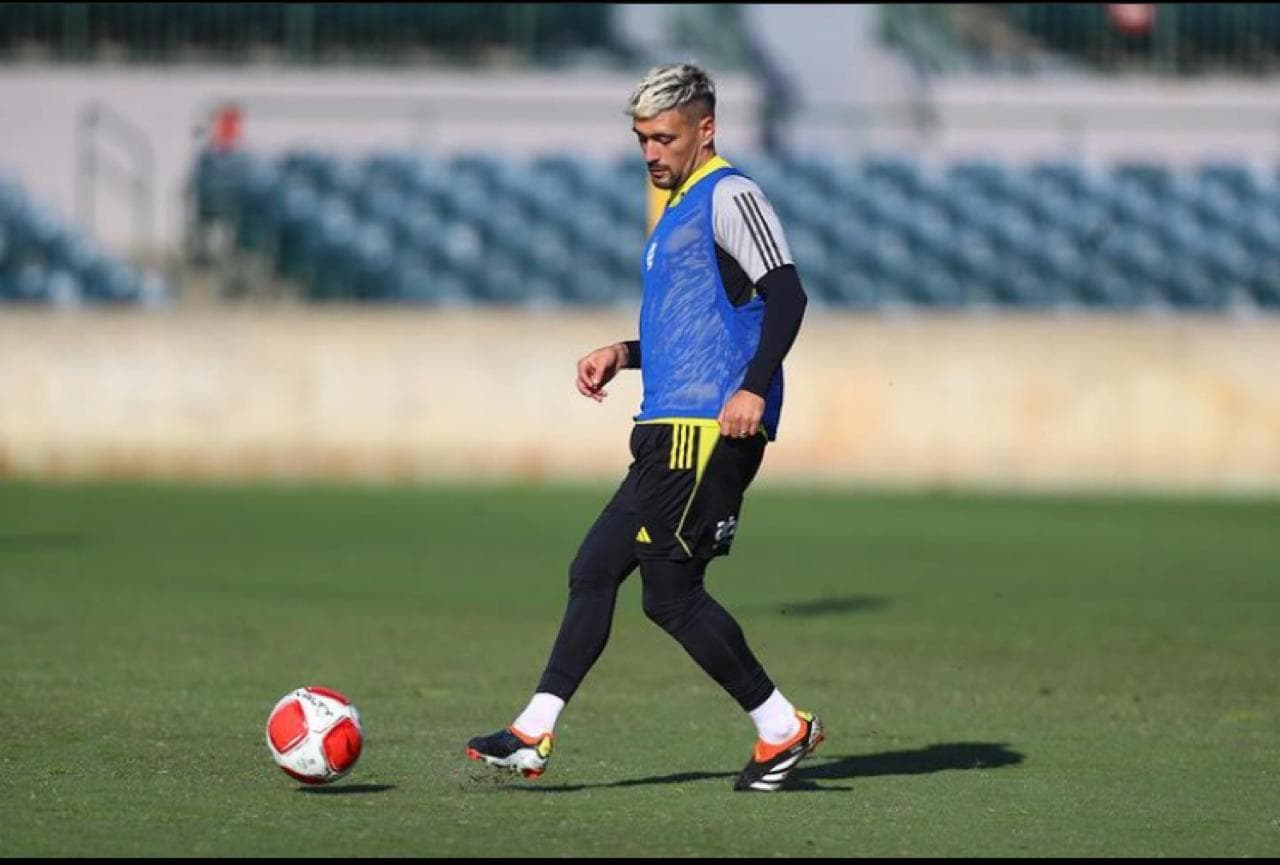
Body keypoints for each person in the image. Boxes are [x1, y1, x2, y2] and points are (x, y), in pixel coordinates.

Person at [466, 63, 820, 792]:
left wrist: (753, 388)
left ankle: (780, 726)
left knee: (670, 592)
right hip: (664, 427)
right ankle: (532, 732)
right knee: (594, 568)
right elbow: (691, 328)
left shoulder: (731, 193)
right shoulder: (677, 208)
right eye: (642, 140)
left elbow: (787, 295)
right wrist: (623, 354)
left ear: (706, 129)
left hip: (707, 429)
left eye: (665, 137)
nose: (652, 152)